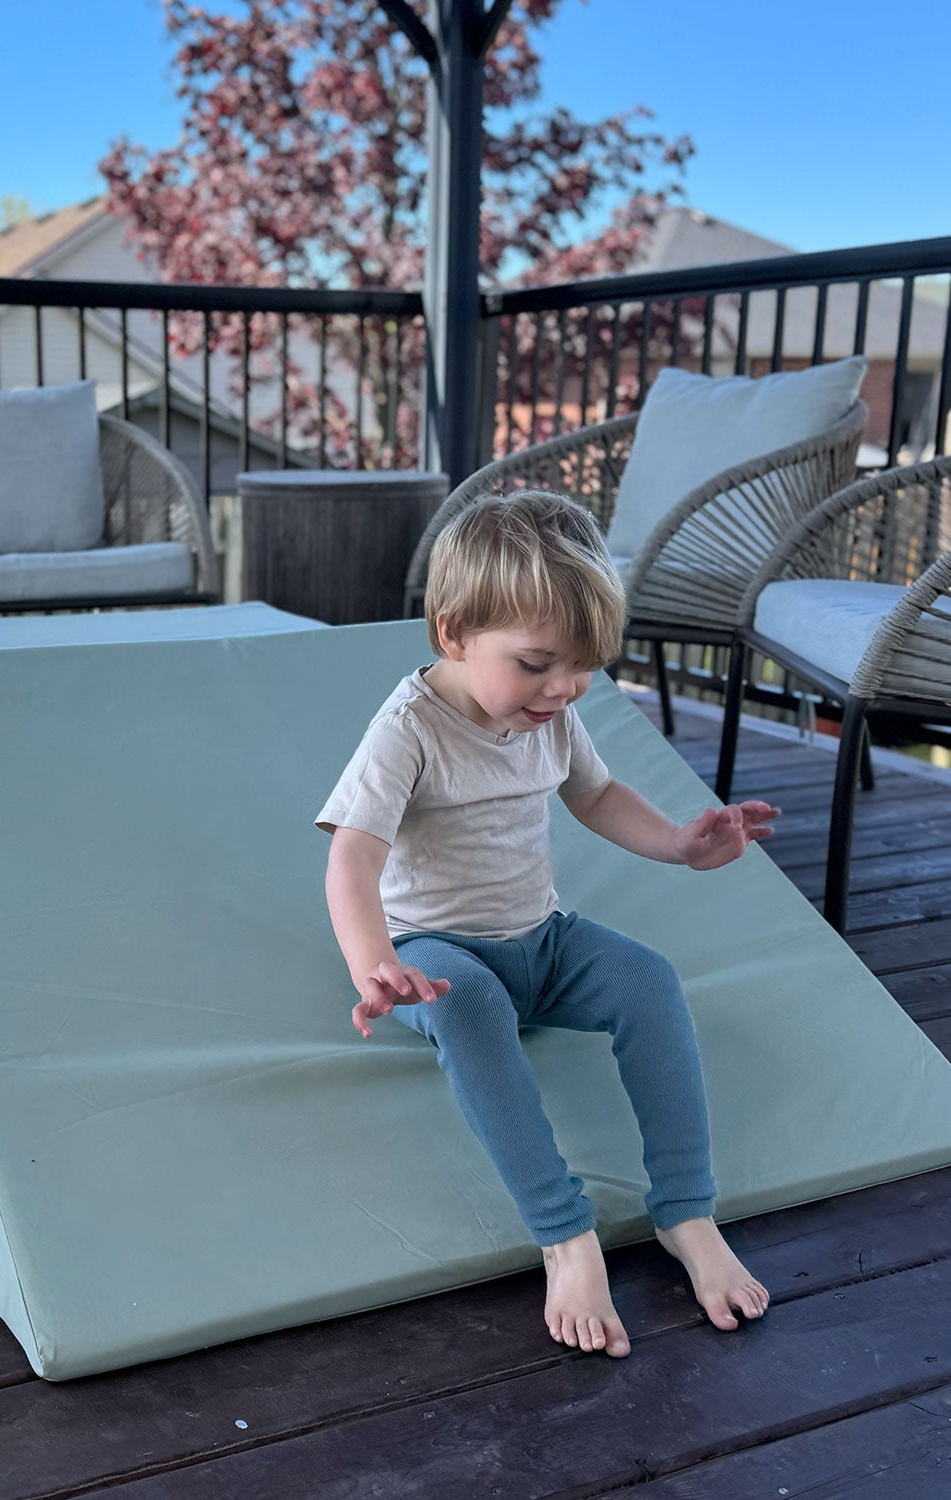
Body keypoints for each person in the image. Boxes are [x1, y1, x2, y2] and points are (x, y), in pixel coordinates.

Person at [316, 488, 776, 1359]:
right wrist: (375, 962)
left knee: (649, 981)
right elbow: (352, 857)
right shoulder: (407, 731)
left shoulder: (549, 714)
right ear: (454, 634)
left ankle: (687, 1212)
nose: (563, 689)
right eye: (536, 664)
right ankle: (565, 1236)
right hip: (436, 953)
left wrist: (682, 844)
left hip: (544, 938)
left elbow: (596, 794)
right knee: (469, 1006)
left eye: (581, 668)